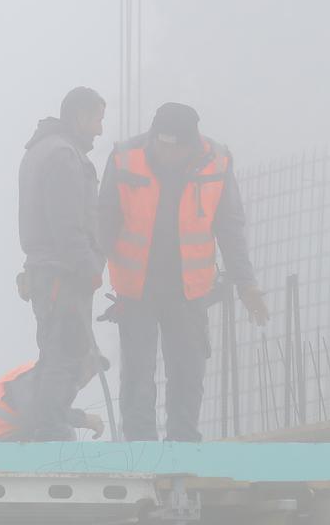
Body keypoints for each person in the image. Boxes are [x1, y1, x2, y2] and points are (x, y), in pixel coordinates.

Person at [100, 102, 268, 441]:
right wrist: (88, 271)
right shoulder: (124, 157)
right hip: (137, 289)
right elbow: (104, 221)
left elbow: (230, 227)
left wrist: (245, 284)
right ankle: (140, 447)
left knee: (188, 372)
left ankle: (183, 444)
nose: (166, 153)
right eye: (160, 144)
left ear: (192, 144)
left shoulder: (217, 162)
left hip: (189, 291)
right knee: (137, 373)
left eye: (174, 147)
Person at [17, 87, 108, 440]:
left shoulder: (46, 150)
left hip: (50, 273)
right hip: (63, 274)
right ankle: (50, 430)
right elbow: (67, 224)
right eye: (97, 119)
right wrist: (89, 268)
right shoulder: (63, 156)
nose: (100, 130)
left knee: (57, 352)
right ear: (80, 117)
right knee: (65, 354)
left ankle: (47, 425)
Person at [0, 353, 108, 441]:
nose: (89, 377)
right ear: (75, 362)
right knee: (61, 431)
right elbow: (37, 416)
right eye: (89, 367)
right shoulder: (38, 376)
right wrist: (82, 419)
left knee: (59, 430)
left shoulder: (53, 382)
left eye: (94, 372)